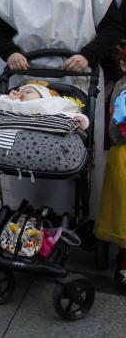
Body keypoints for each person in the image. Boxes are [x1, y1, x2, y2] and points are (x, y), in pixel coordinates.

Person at [0, 0, 126, 214]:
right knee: (27, 142)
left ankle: (75, 211)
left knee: (72, 143)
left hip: (77, 78)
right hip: (29, 79)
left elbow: (113, 28)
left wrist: (88, 55)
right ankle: (29, 207)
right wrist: (11, 53)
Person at [98, 44, 126, 288]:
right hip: (124, 152)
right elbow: (117, 124)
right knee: (122, 205)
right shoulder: (122, 88)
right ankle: (124, 260)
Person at [0, 82, 89, 129]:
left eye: (28, 92)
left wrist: (78, 119)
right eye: (18, 92)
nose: (21, 94)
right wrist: (8, 100)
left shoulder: (50, 105)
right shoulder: (13, 106)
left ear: (44, 97)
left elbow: (68, 115)